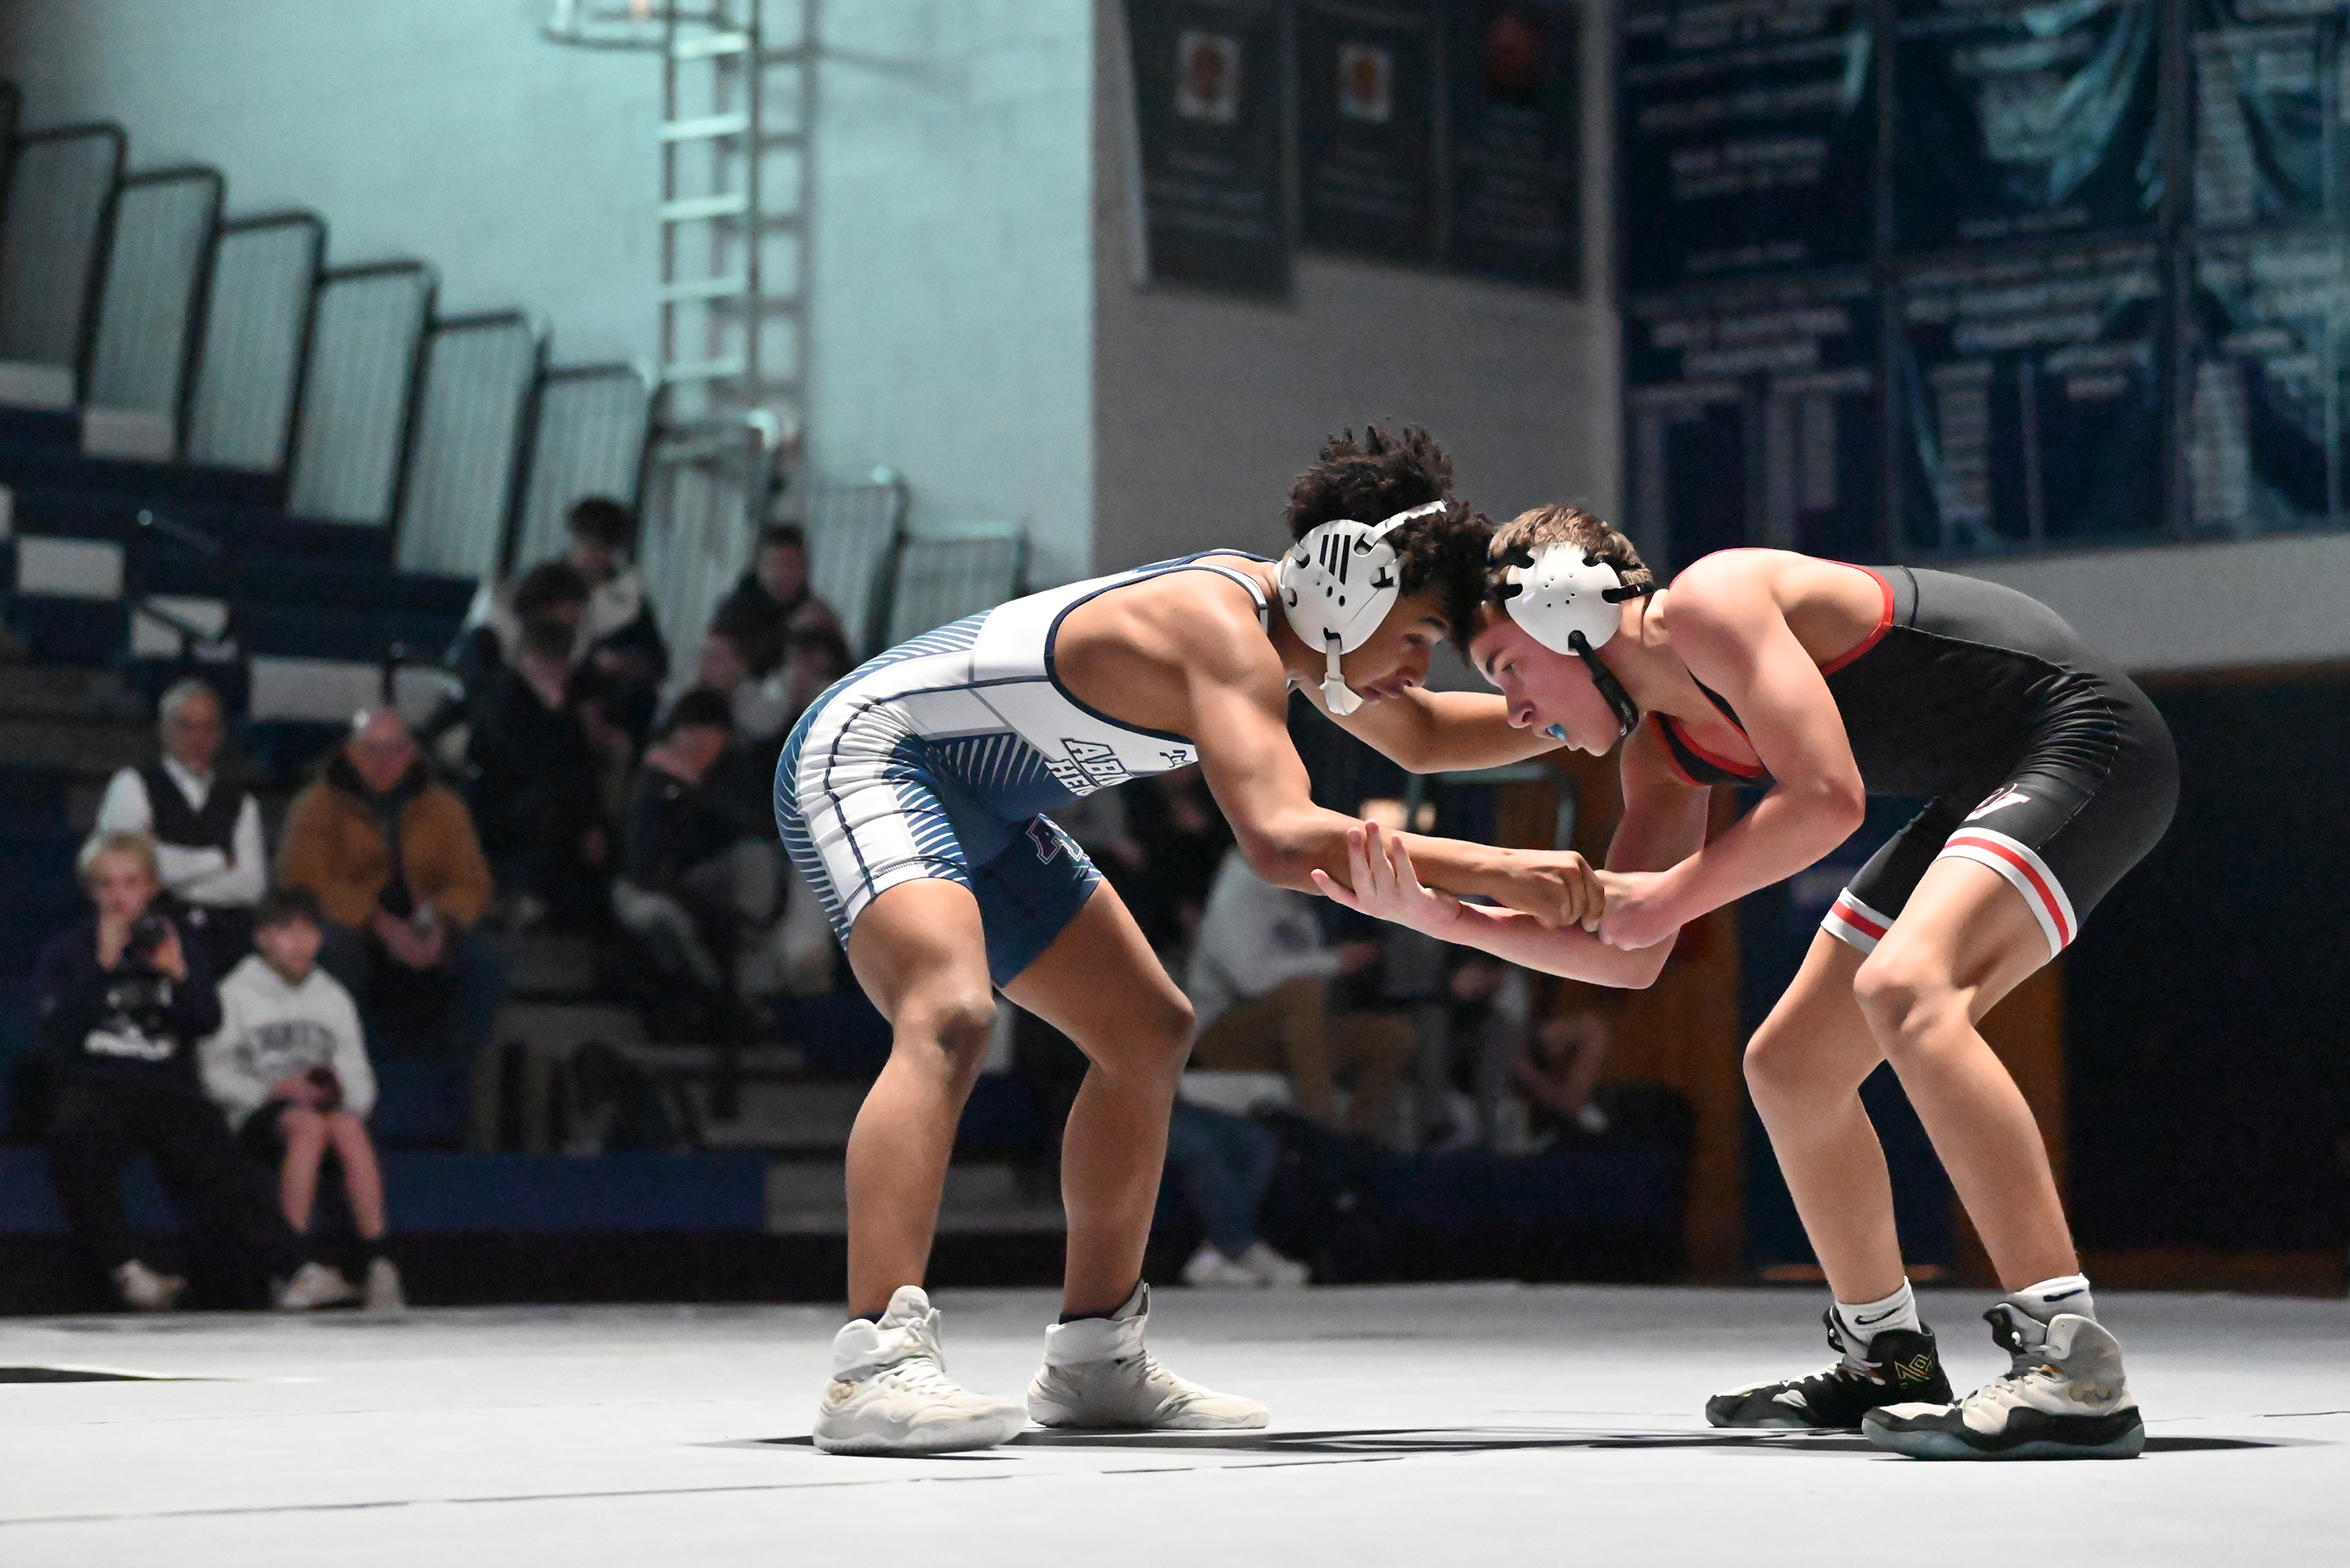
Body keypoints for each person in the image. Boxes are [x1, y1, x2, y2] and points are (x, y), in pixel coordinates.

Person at [773, 425, 1600, 1455]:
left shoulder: (1301, 632)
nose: (1418, 662)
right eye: (1421, 633)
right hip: (873, 757)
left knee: (1148, 1031)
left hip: (982, 805)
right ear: (1354, 582)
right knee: (947, 1010)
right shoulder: (1224, 631)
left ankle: (1094, 1360)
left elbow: (1428, 734)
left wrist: (1597, 702)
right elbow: (1279, 838)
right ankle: (874, 1365)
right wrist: (1502, 870)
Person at [1318, 504, 2176, 1461]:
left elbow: (1825, 800)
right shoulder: (1663, 754)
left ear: (1569, 609)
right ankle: (1885, 1359)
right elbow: (1628, 953)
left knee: (1906, 991)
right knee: (1791, 1065)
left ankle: (2072, 1363)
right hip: (1988, 780)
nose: (1517, 711)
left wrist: (1668, 893)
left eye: (1507, 669)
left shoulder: (1714, 602)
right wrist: (1447, 919)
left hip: (2088, 740)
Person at [38, 832, 350, 1312]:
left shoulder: (174, 943)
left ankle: (295, 1269)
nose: (119, 895)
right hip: (98, 1083)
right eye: (106, 884)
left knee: (217, 1156)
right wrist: (101, 967)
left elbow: (206, 1021)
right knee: (73, 1138)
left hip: (165, 1086)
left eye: (130, 882)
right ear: (91, 890)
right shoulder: (69, 950)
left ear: (151, 887)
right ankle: (126, 1271)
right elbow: (59, 1034)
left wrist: (180, 976)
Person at [201, 887, 403, 1313]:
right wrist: (273, 1090)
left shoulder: (332, 997)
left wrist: (339, 1092)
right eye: (285, 930)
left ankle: (379, 1263)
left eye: (309, 930)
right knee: (305, 1126)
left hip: (322, 1110)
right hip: (258, 1114)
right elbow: (214, 1072)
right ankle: (289, 1266)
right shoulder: (236, 992)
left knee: (348, 1126)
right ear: (262, 937)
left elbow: (359, 1074)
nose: (298, 942)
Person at [278, 710, 502, 1071]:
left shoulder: (444, 807)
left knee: (484, 961)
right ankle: (345, 1071)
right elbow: (304, 882)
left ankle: (454, 1081)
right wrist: (378, 922)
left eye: (396, 749)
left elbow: (472, 883)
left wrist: (439, 922)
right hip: (353, 927)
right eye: (372, 749)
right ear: (350, 752)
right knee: (334, 951)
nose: (385, 760)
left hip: (427, 923)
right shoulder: (316, 806)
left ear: (413, 751)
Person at [1186, 848, 1417, 1143]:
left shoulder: (1297, 895)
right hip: (1218, 1033)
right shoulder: (1240, 886)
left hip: (1287, 1033)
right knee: (1302, 994)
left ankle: (1359, 1149)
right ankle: (1322, 1132)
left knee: (1393, 1038)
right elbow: (1250, 978)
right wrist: (1336, 961)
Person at [93, 677, 266, 979]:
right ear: (164, 729)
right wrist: (218, 861)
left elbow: (251, 885)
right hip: (151, 934)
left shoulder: (242, 802)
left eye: (208, 728)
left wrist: (168, 869)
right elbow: (127, 872)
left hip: (227, 938)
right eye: (186, 725)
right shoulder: (133, 786)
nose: (198, 737)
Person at [468, 615, 616, 929]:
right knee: (549, 811)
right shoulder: (500, 697)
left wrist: (593, 821)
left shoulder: (565, 703)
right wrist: (554, 714)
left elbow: (580, 766)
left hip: (555, 807)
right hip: (505, 807)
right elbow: (514, 761)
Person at [1165, 1098, 1308, 1289]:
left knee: (1259, 1142)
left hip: (1173, 1107)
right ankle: (1239, 1247)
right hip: (1129, 1111)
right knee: (1202, 1149)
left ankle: (1219, 1250)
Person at [715, 521, 841, 677]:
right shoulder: (735, 612)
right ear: (758, 566)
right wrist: (791, 629)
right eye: (774, 564)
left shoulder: (816, 614)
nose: (782, 573)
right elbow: (746, 667)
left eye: (791, 565)